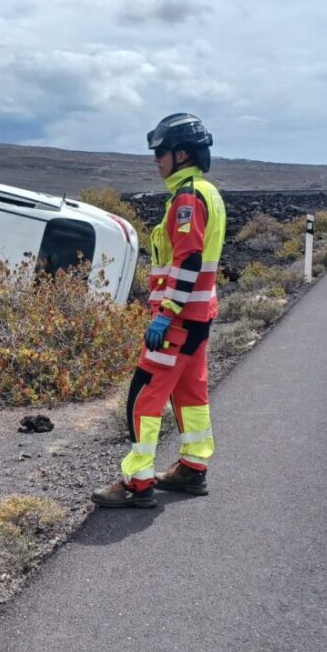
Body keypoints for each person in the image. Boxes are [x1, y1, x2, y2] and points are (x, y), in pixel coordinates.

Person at [92, 113, 227, 508]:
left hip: (179, 320)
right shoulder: (209, 192)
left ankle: (137, 483)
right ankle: (192, 468)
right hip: (200, 316)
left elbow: (188, 259)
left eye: (161, 153)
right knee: (190, 394)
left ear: (181, 154)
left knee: (143, 397)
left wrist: (167, 311)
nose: (156, 161)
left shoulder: (188, 196)